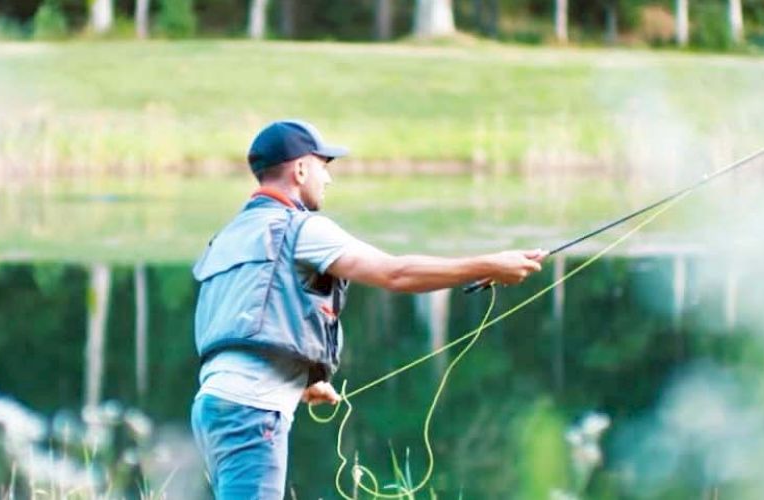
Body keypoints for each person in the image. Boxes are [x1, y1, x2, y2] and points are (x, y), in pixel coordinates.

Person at [189, 119, 547, 499]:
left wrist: (298, 383)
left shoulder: (231, 234)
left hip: (214, 406)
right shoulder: (303, 230)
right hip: (251, 411)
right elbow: (396, 274)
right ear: (299, 169)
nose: (328, 179)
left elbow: (248, 324)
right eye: (324, 166)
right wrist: (492, 265)